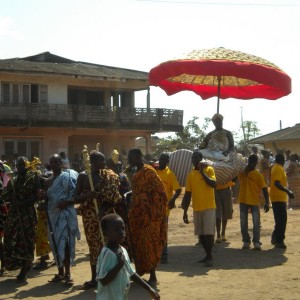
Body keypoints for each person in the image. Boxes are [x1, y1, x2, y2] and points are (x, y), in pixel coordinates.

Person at [72, 150, 122, 290]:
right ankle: (94, 279)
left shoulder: (107, 175)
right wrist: (88, 194)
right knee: (94, 248)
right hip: (90, 217)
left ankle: (111, 276)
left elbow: (113, 197)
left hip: (106, 216)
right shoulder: (83, 176)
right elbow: (75, 197)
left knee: (108, 245)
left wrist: (102, 210)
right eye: (101, 160)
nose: (104, 163)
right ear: (93, 162)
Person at [127, 148, 167, 288]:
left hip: (150, 215)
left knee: (150, 243)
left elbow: (161, 192)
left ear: (138, 156)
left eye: (130, 157)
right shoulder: (135, 172)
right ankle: (140, 272)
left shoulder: (149, 171)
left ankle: (153, 276)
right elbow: (138, 190)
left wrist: (146, 202)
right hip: (137, 214)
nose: (128, 160)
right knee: (140, 243)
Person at [96, 213, 160, 300]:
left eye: (123, 228)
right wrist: (119, 265)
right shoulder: (107, 253)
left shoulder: (122, 250)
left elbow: (132, 273)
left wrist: (149, 288)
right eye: (116, 229)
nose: (121, 232)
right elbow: (103, 280)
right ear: (106, 233)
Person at [2, 156, 42, 282]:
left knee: (27, 241)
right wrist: (9, 195)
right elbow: (5, 195)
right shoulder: (14, 179)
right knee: (10, 239)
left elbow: (37, 197)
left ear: (27, 165)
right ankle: (15, 265)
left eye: (22, 165)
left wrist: (23, 203)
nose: (19, 168)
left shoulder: (33, 177)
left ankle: (25, 268)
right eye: (18, 165)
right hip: (14, 215)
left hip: (27, 215)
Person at [46, 154, 80, 284]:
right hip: (53, 216)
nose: (54, 164)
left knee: (65, 243)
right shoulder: (47, 181)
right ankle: (60, 273)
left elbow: (75, 195)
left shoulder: (68, 177)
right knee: (55, 243)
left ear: (60, 163)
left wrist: (66, 202)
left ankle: (68, 274)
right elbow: (46, 199)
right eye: (52, 162)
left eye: (56, 162)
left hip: (65, 215)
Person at [181, 150, 216, 267]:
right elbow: (187, 194)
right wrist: (185, 212)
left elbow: (213, 184)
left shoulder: (209, 170)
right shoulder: (190, 175)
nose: (194, 160)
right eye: (193, 158)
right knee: (201, 235)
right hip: (196, 208)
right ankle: (207, 255)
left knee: (209, 234)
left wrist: (202, 172)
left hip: (209, 207)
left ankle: (210, 256)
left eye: (197, 158)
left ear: (201, 159)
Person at [238, 154, 269, 250]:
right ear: (248, 162)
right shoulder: (242, 173)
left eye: (253, 162)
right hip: (243, 200)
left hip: (254, 200)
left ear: (256, 163)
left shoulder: (258, 175)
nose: (252, 164)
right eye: (250, 162)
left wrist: (267, 202)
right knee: (243, 222)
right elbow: (234, 178)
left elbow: (264, 188)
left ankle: (256, 242)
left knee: (256, 222)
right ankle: (246, 241)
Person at [156, 152, 181, 264]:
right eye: (160, 159)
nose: (161, 161)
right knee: (154, 232)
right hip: (152, 208)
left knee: (163, 232)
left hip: (164, 209)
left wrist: (172, 200)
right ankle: (155, 255)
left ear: (167, 162)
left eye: (164, 160)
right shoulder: (154, 171)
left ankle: (164, 256)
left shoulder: (170, 174)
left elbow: (178, 189)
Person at [270, 153, 295, 249]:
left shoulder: (278, 168)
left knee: (280, 220)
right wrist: (288, 191)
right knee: (282, 220)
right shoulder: (277, 168)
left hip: (279, 197)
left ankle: (275, 238)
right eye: (284, 159)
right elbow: (276, 183)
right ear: (281, 160)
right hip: (278, 197)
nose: (285, 161)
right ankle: (279, 240)